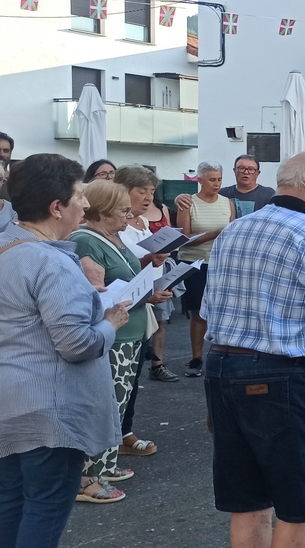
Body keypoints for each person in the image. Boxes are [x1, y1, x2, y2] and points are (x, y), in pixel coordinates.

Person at [202, 151, 305, 548]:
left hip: (220, 368)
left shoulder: (233, 232)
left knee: (248, 503)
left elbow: (208, 313)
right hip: (282, 377)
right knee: (297, 507)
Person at [0, 154, 132, 545]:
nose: (86, 204)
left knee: (10, 500)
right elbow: (77, 344)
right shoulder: (51, 262)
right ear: (57, 207)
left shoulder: (6, 245)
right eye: (80, 196)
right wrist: (111, 323)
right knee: (46, 506)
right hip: (50, 411)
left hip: (9, 400)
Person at [69, 180, 175, 489]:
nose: (129, 217)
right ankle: (93, 472)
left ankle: (107, 464)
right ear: (102, 211)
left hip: (129, 331)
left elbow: (125, 274)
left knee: (119, 402)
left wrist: (147, 283)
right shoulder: (86, 240)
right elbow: (98, 293)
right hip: (114, 335)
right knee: (107, 405)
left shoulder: (111, 236)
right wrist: (142, 295)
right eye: (123, 211)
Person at [112, 167, 176, 460]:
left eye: (152, 191)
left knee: (132, 376)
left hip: (144, 303)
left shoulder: (141, 221)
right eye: (142, 191)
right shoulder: (114, 226)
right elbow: (119, 270)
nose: (149, 197)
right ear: (122, 190)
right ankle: (113, 438)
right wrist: (151, 260)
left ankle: (124, 431)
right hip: (125, 308)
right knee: (119, 379)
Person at [175, 162, 235, 378]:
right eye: (212, 179)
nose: (217, 184)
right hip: (195, 263)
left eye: (219, 179)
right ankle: (196, 357)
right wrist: (214, 234)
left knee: (223, 311)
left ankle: (222, 355)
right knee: (198, 312)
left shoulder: (227, 203)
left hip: (220, 263)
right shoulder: (188, 203)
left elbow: (232, 232)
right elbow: (183, 238)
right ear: (200, 180)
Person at [175, 155, 276, 218]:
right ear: (234, 171)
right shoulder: (222, 193)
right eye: (241, 168)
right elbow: (202, 202)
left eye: (251, 169)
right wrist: (179, 198)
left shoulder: (268, 194)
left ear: (258, 173)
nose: (246, 172)